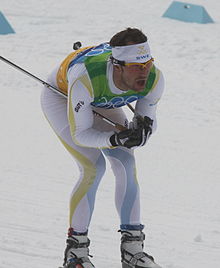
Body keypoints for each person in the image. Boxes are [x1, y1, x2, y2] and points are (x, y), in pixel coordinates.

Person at [41, 27, 164, 268]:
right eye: (136, 67)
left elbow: (148, 123)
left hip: (102, 98)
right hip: (63, 96)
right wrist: (115, 139)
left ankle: (133, 250)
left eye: (148, 63)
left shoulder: (154, 78)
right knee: (93, 167)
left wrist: (141, 132)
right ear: (117, 66)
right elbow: (81, 134)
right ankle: (75, 253)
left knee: (126, 162)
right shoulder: (85, 77)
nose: (145, 72)